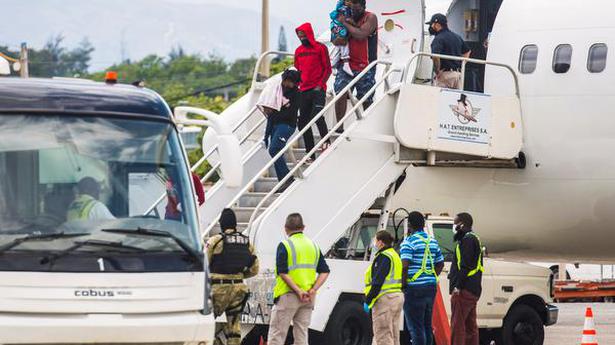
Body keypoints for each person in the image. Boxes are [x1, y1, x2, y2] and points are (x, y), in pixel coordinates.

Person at [267, 213, 330, 345]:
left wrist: (298, 290)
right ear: (303, 227)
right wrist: (313, 290)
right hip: (308, 297)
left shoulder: (285, 245)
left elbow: (282, 272)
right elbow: (325, 271)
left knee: (277, 334)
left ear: (286, 228)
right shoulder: (313, 246)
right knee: (301, 335)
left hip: (288, 296)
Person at [206, 208, 260, 345]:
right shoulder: (247, 243)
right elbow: (255, 269)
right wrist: (239, 275)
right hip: (239, 289)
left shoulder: (215, 241)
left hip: (218, 289)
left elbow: (203, 264)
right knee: (234, 327)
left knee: (206, 323)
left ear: (222, 224)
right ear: (235, 224)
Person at [400, 211, 445, 345]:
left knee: (415, 327)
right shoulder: (432, 241)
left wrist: (403, 285)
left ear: (410, 226)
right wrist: (431, 276)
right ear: (423, 224)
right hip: (430, 287)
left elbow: (404, 266)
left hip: (414, 288)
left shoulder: (408, 242)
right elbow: (440, 263)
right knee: (426, 326)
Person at [294, 23, 332, 160]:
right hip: (303, 91)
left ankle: (327, 142)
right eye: (299, 36)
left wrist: (320, 85)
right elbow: (297, 70)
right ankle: (310, 153)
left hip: (318, 89)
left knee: (317, 116)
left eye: (303, 35)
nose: (302, 38)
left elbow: (328, 69)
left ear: (309, 34)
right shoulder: (298, 51)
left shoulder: (321, 48)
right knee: (302, 122)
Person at [261, 69, 302, 188]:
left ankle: (286, 177)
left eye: (290, 82)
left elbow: (291, 113)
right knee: (274, 151)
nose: (287, 84)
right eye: (285, 81)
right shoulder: (277, 91)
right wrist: (266, 136)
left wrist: (274, 111)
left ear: (295, 83)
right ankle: (283, 180)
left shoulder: (296, 94)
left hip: (287, 125)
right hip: (275, 124)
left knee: (274, 149)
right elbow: (270, 113)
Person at [448, 212, 484, 345]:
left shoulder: (467, 240)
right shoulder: (474, 238)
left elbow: (465, 266)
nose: (454, 226)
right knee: (470, 327)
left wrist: (457, 286)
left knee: (458, 327)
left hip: (464, 289)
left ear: (461, 224)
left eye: (455, 223)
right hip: (473, 289)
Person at [364, 230, 404, 345]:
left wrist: (368, 299)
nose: (374, 243)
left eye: (375, 240)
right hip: (397, 297)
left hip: (385, 299)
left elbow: (377, 281)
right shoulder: (394, 255)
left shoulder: (384, 257)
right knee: (394, 335)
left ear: (381, 242)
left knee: (383, 335)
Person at [426, 13, 471, 89]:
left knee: (440, 99)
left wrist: (437, 72)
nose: (431, 27)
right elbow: (467, 51)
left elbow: (435, 57)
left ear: (437, 24)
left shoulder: (438, 39)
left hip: (445, 76)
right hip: (458, 75)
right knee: (456, 99)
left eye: (432, 24)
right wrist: (461, 64)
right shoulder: (457, 37)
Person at [330, 0, 354, 76]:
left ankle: (333, 64)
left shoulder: (343, 9)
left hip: (339, 32)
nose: (349, 2)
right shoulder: (344, 9)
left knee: (338, 49)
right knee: (343, 46)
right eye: (347, 1)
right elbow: (345, 19)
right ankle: (345, 64)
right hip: (340, 32)